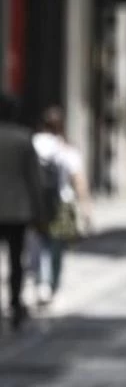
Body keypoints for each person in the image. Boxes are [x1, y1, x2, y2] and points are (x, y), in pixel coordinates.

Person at [32, 106, 91, 306]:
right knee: (57, 247)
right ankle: (53, 285)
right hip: (62, 203)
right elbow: (79, 181)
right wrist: (86, 211)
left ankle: (40, 283)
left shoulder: (33, 144)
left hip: (37, 205)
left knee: (38, 245)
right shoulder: (67, 149)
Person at [0, 94, 44, 332]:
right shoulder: (23, 139)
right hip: (17, 209)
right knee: (17, 260)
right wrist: (39, 212)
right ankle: (15, 304)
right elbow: (34, 179)